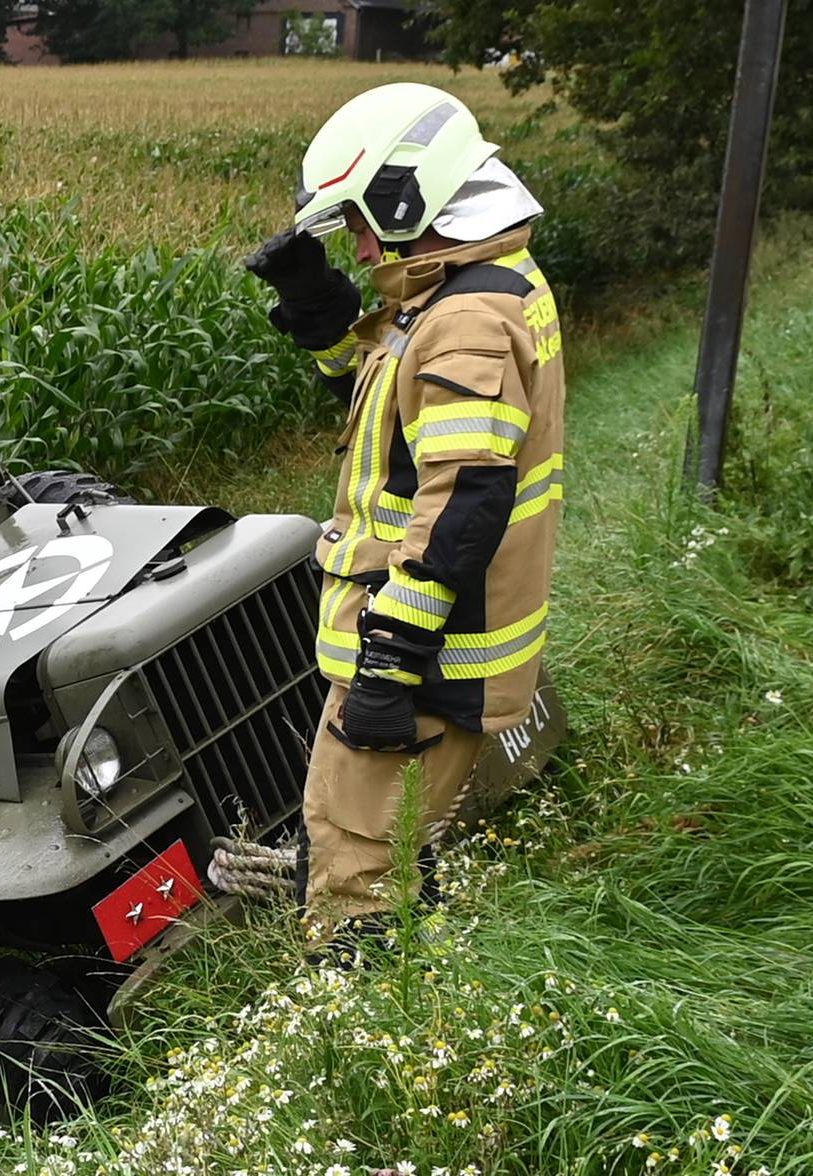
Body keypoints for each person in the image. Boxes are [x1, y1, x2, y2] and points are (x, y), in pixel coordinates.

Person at [213, 83, 565, 940]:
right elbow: (397, 413)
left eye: (362, 221)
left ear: (409, 196)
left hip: (428, 654)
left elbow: (461, 504)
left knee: (354, 870)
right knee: (397, 841)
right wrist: (326, 320)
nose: (363, 245)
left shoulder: (467, 319)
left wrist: (391, 659)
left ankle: (369, 1034)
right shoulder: (475, 285)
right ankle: (421, 949)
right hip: (442, 645)